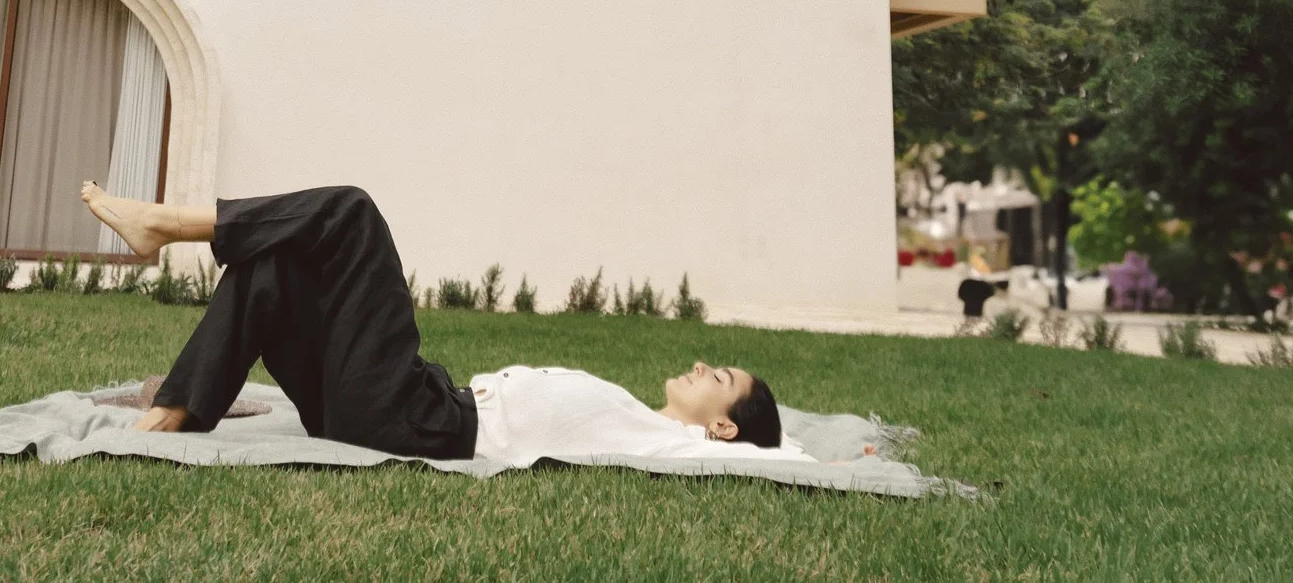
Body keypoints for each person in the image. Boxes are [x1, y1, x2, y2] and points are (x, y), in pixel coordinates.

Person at [78, 181, 789, 465]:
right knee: (277, 266)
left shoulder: (671, 441)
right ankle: (172, 413)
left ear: (722, 425)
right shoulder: (642, 419)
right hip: (404, 403)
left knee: (353, 212)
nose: (702, 366)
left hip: (421, 419)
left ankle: (169, 223)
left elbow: (775, 459)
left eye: (717, 377)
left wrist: (833, 465)